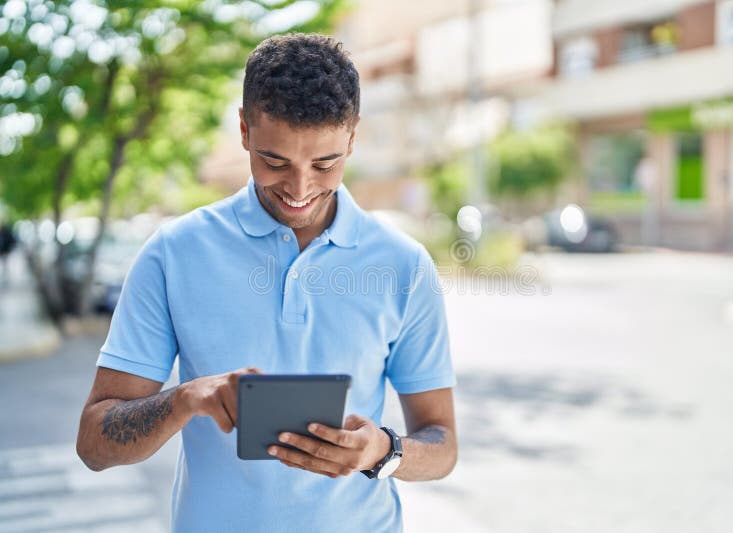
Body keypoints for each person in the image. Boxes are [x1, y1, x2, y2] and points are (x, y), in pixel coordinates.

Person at [76, 33, 457, 532]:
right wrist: (187, 399)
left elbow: (443, 444)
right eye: (275, 161)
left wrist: (386, 450)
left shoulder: (405, 264)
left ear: (353, 138)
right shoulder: (174, 252)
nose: (300, 190)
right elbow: (94, 444)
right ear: (243, 129)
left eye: (325, 163)